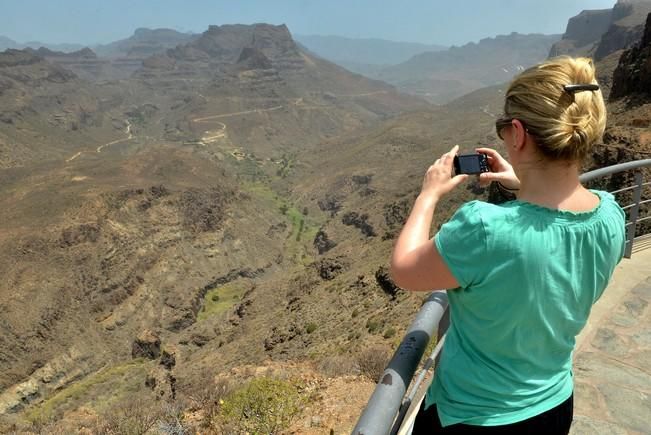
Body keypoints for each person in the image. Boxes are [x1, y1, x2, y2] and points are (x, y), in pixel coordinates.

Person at [390, 56, 626, 434]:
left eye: (504, 129)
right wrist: (521, 178)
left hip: (471, 416)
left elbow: (404, 268)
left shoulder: (485, 228)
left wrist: (428, 195)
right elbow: (556, 222)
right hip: (553, 405)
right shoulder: (611, 215)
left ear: (517, 134)